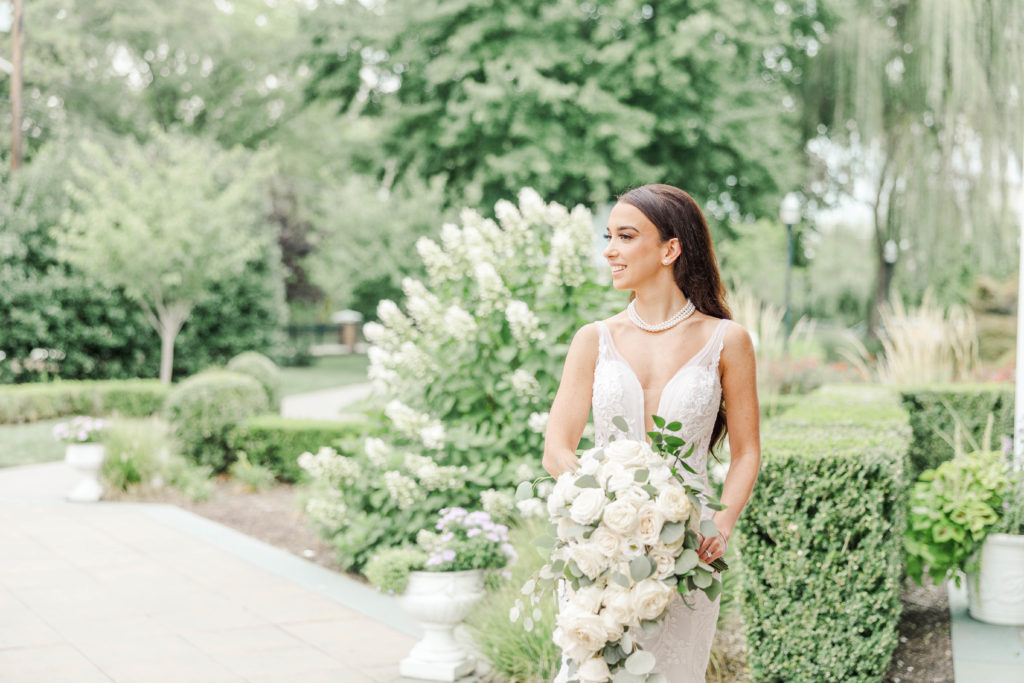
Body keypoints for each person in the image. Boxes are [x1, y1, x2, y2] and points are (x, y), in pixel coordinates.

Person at [542, 184, 761, 682]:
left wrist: (721, 524)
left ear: (670, 248)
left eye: (625, 236)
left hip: (686, 548)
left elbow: (747, 451)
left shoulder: (727, 341)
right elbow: (557, 447)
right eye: (609, 236)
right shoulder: (594, 339)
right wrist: (595, 500)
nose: (610, 250)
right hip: (598, 545)